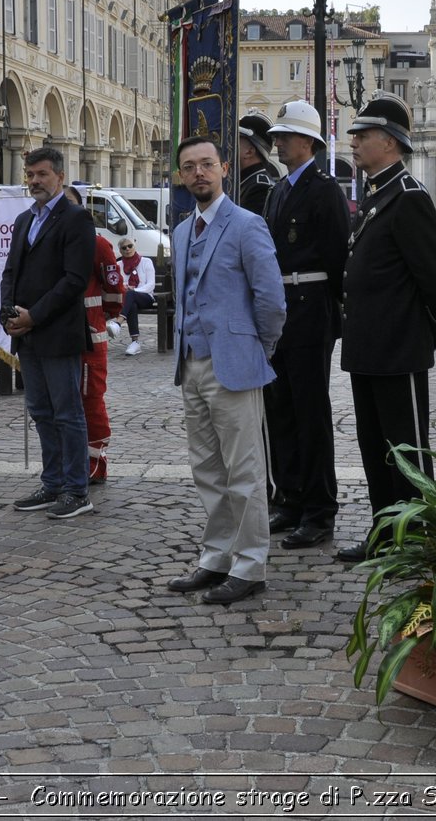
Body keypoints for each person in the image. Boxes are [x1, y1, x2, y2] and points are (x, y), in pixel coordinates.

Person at [165, 135, 286, 604]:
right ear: (181, 175)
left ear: (224, 168)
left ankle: (250, 565)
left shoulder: (247, 224)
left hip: (233, 364)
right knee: (207, 469)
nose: (199, 172)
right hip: (191, 363)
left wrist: (259, 349)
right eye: (190, 166)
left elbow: (271, 299)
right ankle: (216, 557)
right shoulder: (180, 231)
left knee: (244, 471)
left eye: (207, 164)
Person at [338, 93, 436, 563]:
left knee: (405, 449)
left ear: (388, 141)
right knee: (373, 447)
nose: (355, 143)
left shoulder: (409, 198)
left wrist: (427, 333)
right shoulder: (377, 194)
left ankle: (415, 536)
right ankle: (386, 531)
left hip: (398, 347)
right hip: (367, 347)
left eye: (362, 136)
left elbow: (434, 280)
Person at [262, 99, 350, 550]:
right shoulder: (279, 190)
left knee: (311, 412)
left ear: (307, 142)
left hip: (311, 308)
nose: (276, 142)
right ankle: (291, 499)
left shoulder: (324, 189)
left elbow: (337, 260)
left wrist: (333, 314)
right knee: (281, 409)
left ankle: (319, 510)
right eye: (276, 136)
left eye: (283, 136)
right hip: (280, 310)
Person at [1, 148, 97, 519]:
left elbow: (74, 279)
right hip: (26, 334)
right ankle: (52, 482)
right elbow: (11, 270)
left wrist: (34, 316)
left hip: (57, 331)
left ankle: (76, 490)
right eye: (30, 175)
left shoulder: (76, 219)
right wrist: (8, 311)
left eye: (41, 174)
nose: (34, 181)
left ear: (59, 176)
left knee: (67, 412)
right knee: (40, 410)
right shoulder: (25, 219)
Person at [64, 185, 125, 486]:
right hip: (57, 337)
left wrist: (111, 317)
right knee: (62, 402)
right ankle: (68, 461)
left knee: (90, 399)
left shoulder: (97, 244)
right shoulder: (47, 242)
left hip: (88, 335)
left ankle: (94, 462)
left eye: (70, 204)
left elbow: (114, 287)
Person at [112, 239, 155, 356]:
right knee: (132, 304)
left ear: (134, 246)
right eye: (124, 248)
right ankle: (135, 342)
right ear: (120, 251)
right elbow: (119, 284)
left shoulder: (146, 261)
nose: (127, 249)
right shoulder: (119, 265)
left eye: (130, 246)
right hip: (130, 299)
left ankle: (118, 323)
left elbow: (151, 285)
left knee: (130, 295)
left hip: (146, 297)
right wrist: (126, 287)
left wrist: (134, 290)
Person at [237, 112, 281, 215]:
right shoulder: (246, 181)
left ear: (249, 152)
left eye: (236, 141)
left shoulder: (260, 188)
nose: (229, 146)